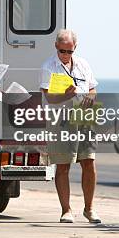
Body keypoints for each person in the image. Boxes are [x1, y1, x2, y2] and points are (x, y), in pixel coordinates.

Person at [39, 29, 101, 224]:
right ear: (56, 47)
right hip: (60, 117)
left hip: (84, 115)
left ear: (75, 49)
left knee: (89, 162)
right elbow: (49, 96)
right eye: (63, 51)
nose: (66, 55)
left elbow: (92, 88)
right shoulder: (48, 66)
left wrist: (90, 97)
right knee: (64, 165)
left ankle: (89, 209)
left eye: (70, 51)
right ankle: (66, 210)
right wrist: (66, 95)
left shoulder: (83, 64)